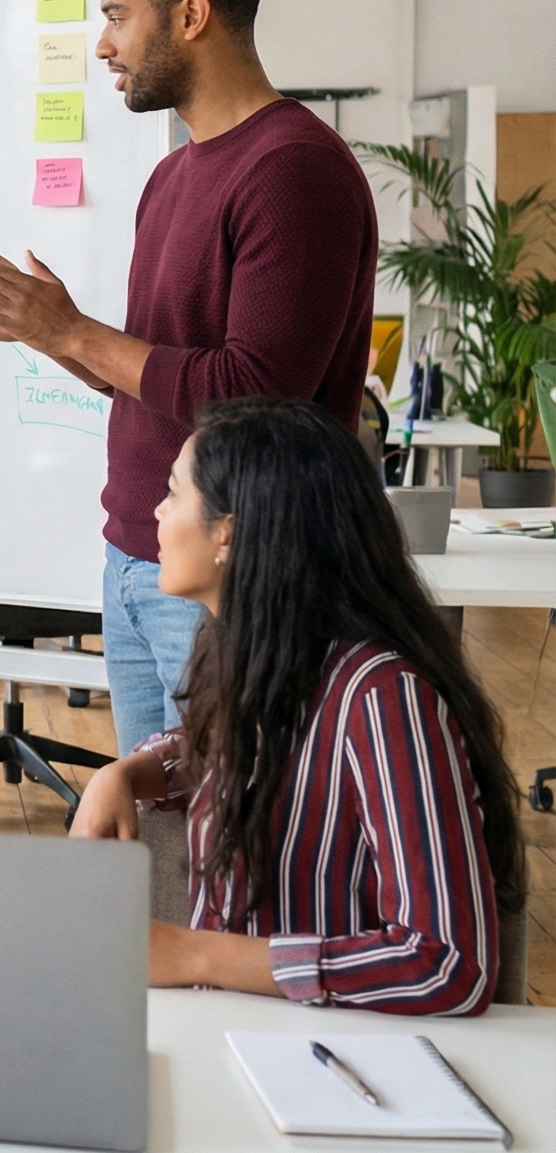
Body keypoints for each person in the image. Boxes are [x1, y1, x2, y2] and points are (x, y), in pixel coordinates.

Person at [0, 0, 378, 758]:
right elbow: (168, 371)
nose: (101, 45)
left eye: (117, 16)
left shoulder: (295, 169)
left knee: (229, 861)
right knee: (158, 859)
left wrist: (76, 330)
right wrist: (44, 333)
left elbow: (252, 395)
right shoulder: (173, 173)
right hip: (139, 557)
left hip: (240, 579)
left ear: (192, 17)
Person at [70, 399, 521, 1015]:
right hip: (232, 1032)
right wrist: (125, 773)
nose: (155, 510)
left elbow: (447, 964)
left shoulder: (383, 699)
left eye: (173, 494)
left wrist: (197, 955)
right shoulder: (252, 654)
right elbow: (216, 746)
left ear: (227, 532)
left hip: (325, 1058)